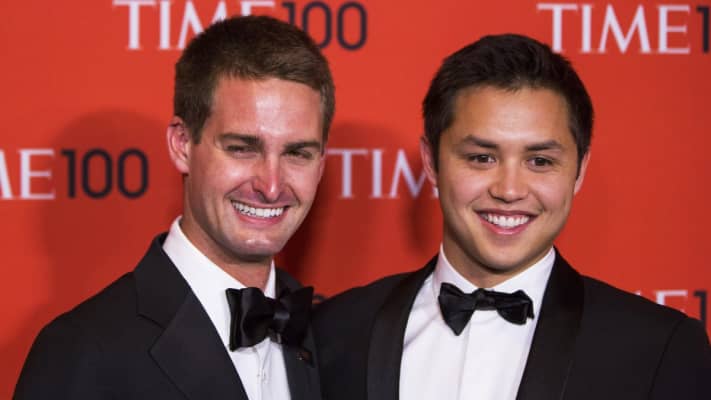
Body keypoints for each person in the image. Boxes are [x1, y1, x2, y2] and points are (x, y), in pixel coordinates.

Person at [314, 34, 711, 400]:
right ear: (431, 162)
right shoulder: (336, 331)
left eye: (540, 161)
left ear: (579, 171)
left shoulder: (659, 349)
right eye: (481, 158)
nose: (509, 190)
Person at [15, 15, 334, 400]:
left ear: (321, 163)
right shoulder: (81, 352)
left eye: (297, 153)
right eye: (241, 148)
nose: (270, 185)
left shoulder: (329, 335)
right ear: (182, 145)